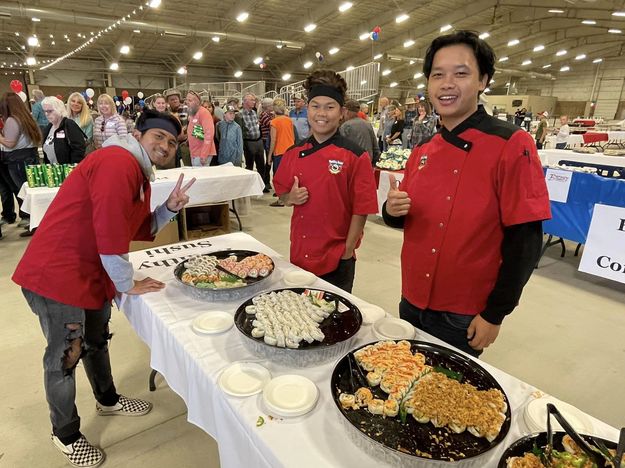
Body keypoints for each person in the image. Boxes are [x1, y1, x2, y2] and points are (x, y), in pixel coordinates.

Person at [12, 109, 194, 468]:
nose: (165, 145)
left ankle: (107, 399)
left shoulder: (134, 170)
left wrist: (169, 208)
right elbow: (112, 235)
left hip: (89, 271)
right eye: (158, 136)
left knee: (97, 339)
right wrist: (128, 282)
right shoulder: (118, 162)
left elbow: (134, 225)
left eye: (172, 142)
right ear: (139, 135)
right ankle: (64, 433)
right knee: (66, 354)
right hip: (59, 273)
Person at [383, 30, 551, 357]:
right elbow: (409, 220)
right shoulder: (423, 150)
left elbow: (527, 238)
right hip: (412, 298)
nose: (447, 83)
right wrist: (392, 210)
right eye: (438, 75)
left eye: (461, 73)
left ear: (483, 80)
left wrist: (495, 313)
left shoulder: (511, 143)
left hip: (463, 312)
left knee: (448, 398)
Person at [273, 70, 378, 293]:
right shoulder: (293, 153)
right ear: (307, 109)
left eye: (330, 107)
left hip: (336, 259)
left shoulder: (355, 156)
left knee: (334, 321)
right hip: (300, 253)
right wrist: (289, 198)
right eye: (315, 106)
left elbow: (362, 209)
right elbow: (281, 193)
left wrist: (347, 250)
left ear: (341, 112)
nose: (322, 113)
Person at [0, 91, 42, 236]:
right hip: (29, 157)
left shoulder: (12, 120)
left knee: (24, 192)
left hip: (17, 160)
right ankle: (34, 222)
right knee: (30, 191)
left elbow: (10, 143)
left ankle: (33, 223)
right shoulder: (26, 117)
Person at [236, 93, 268, 191]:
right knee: (249, 165)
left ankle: (262, 186)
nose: (254, 102)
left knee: (261, 165)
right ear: (245, 101)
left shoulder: (254, 113)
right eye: (252, 100)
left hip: (258, 141)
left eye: (254, 100)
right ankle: (249, 187)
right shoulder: (240, 115)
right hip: (248, 142)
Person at [42, 96, 86, 165]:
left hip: (68, 170)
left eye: (50, 111)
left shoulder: (69, 124)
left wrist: (72, 168)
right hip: (53, 170)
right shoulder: (49, 127)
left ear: (59, 110)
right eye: (45, 111)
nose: (46, 114)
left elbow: (79, 149)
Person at [267, 98, 295, 206]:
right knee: (288, 176)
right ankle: (289, 197)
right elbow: (292, 136)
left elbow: (273, 140)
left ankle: (281, 200)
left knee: (278, 176)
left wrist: (269, 155)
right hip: (290, 151)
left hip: (279, 152)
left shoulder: (274, 122)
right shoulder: (289, 120)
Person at [340, 99, 380, 166]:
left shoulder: (346, 126)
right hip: (367, 161)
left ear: (346, 111)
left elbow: (340, 149)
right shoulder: (367, 124)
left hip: (353, 164)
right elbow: (375, 146)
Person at [186, 90, 216, 166]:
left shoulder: (204, 113)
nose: (187, 102)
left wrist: (204, 154)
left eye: (190, 100)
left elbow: (209, 134)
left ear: (197, 102)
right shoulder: (193, 114)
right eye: (186, 100)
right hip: (195, 153)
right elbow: (196, 132)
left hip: (201, 154)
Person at [259, 97, 275, 181]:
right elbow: (272, 124)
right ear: (268, 106)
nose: (273, 107)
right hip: (266, 141)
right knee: (269, 160)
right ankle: (266, 180)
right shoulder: (263, 115)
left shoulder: (271, 115)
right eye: (272, 105)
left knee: (270, 160)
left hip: (271, 139)